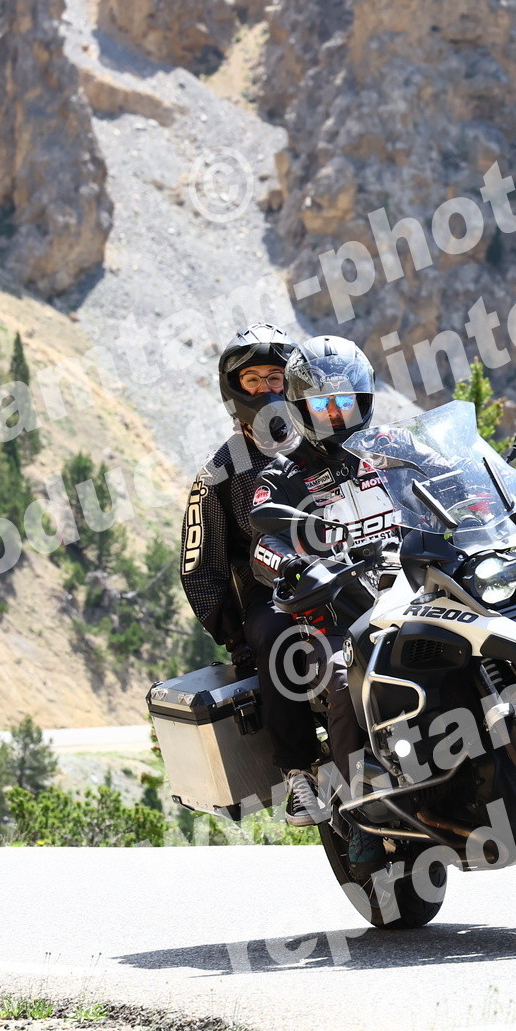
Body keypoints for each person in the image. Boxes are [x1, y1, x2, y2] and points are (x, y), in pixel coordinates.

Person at [248, 336, 396, 859]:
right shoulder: (282, 473)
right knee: (341, 677)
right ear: (299, 407)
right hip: (337, 613)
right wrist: (291, 563)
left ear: (364, 399)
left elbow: (454, 479)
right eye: (321, 403)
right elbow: (263, 540)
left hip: (416, 592)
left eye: (344, 400)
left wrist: (495, 494)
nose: (334, 412)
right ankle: (359, 813)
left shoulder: (393, 449)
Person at [178, 322, 324, 827]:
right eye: (253, 379)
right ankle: (299, 774)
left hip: (351, 565)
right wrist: (236, 637)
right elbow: (199, 565)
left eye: (275, 377)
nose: (266, 388)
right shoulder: (219, 470)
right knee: (277, 640)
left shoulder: (326, 437)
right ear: (234, 389)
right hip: (273, 589)